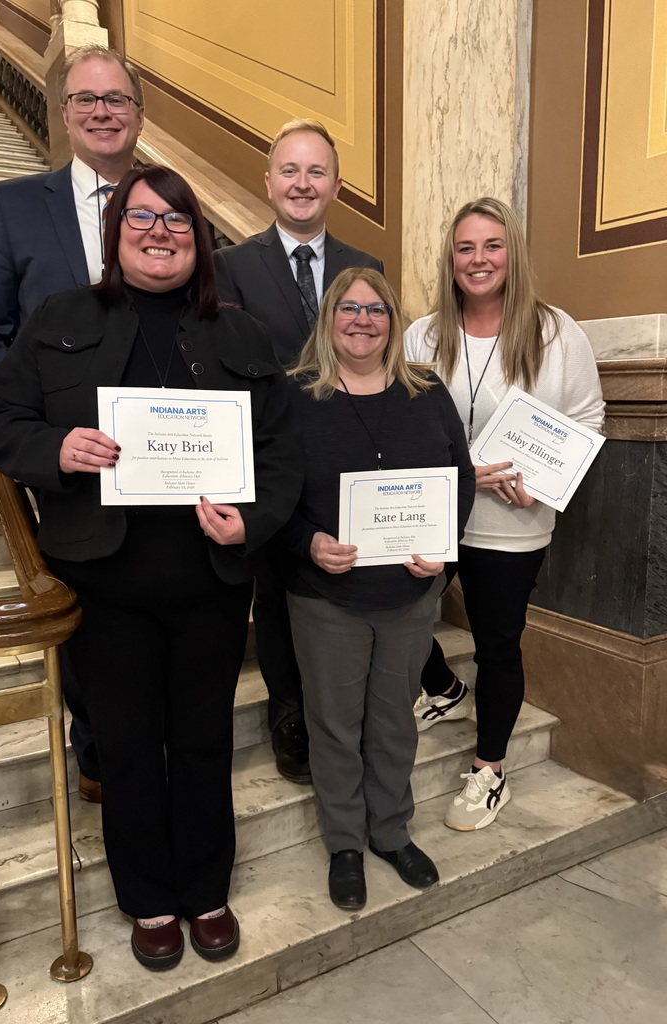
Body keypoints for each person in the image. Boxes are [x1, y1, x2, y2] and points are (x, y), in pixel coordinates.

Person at [0, 165, 303, 970]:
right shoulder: (59, 318)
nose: (160, 234)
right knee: (125, 747)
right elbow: (3, 419)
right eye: (143, 219)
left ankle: (205, 888)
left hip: (213, 586)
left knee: (202, 739)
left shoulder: (243, 333)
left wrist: (253, 522)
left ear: (201, 239)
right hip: (105, 583)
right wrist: (55, 450)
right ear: (115, 233)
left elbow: (285, 453)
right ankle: (149, 899)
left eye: (178, 222)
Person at [0, 44, 145, 797]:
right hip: (66, 461)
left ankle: (144, 730)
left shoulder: (167, 202)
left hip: (154, 452)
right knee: (83, 599)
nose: (103, 112)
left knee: (148, 593)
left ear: (138, 115)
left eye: (117, 100)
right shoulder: (13, 205)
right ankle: (97, 741)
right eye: (87, 100)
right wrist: (33, 442)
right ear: (65, 113)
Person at [404, 197, 604, 831]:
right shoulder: (423, 334)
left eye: (492, 246)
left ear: (512, 254)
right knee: (400, 622)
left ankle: (489, 769)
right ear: (451, 259)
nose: (479, 259)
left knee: (496, 643)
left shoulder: (555, 332)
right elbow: (403, 422)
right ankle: (442, 688)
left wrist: (544, 486)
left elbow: (587, 419)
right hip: (434, 514)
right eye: (466, 248)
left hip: (510, 522)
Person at [282, 267, 475, 911]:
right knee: (335, 725)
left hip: (409, 596)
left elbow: (461, 479)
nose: (362, 320)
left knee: (394, 721)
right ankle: (344, 843)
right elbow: (272, 494)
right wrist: (307, 542)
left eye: (377, 310)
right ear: (328, 317)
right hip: (324, 597)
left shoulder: (427, 390)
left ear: (393, 321)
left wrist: (442, 557)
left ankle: (391, 832)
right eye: (349, 309)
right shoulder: (295, 396)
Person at [214, 119, 383, 784]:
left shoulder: (367, 270)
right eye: (290, 170)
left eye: (317, 172)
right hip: (267, 465)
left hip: (349, 465)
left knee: (345, 588)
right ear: (268, 183)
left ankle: (345, 712)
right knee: (279, 595)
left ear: (336, 186)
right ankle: (288, 715)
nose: (303, 183)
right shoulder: (229, 267)